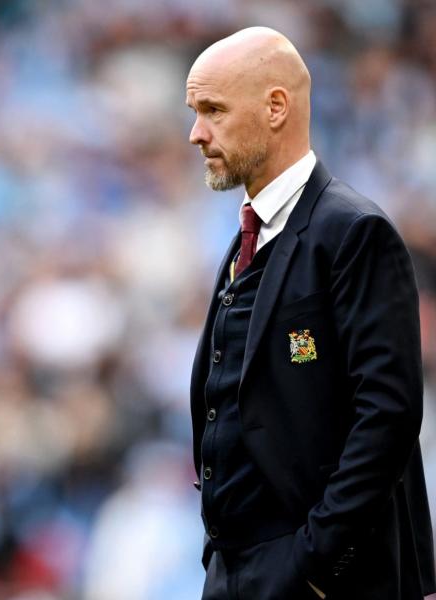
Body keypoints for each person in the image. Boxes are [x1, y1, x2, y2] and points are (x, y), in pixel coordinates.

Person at [186, 27, 435, 599]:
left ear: (276, 107)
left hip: (322, 580)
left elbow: (389, 416)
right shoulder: (249, 237)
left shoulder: (353, 231)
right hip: (236, 572)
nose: (196, 133)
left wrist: (315, 562)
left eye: (213, 110)